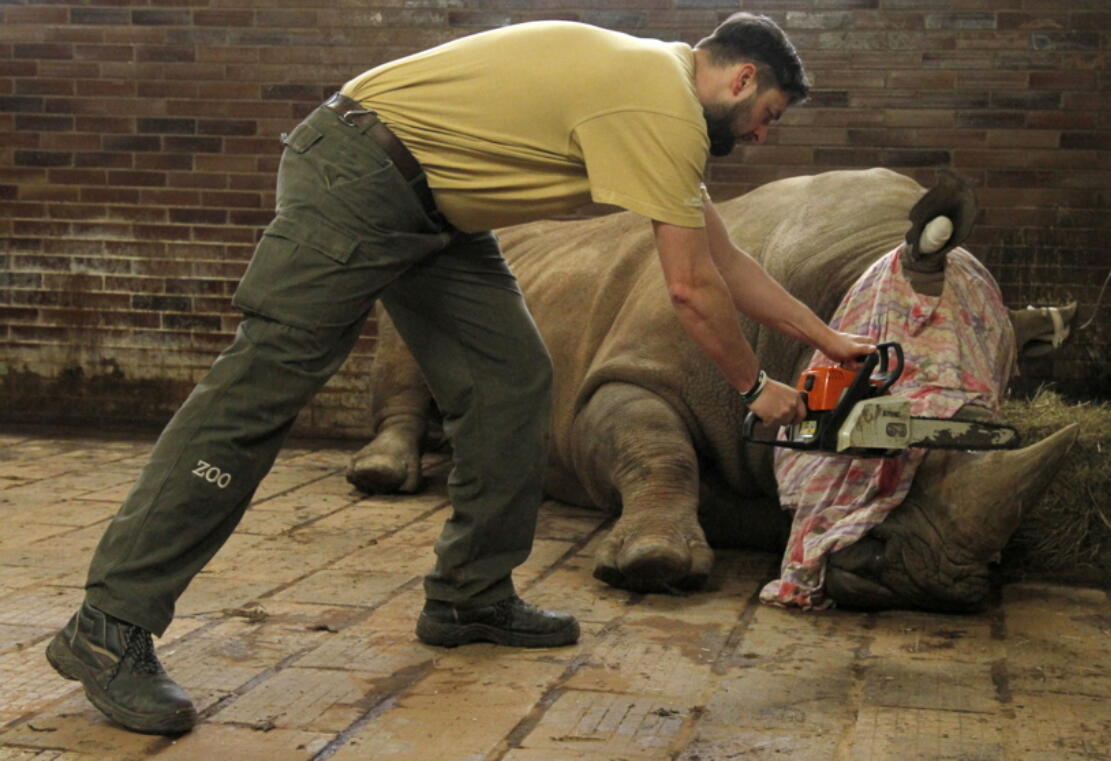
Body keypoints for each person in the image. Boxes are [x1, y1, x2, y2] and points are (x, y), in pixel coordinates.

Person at [45, 13, 876, 735]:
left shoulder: (657, 93)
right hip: (361, 172)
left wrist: (826, 338)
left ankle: (469, 596)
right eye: (767, 117)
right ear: (741, 77)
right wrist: (753, 389)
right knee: (259, 390)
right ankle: (109, 624)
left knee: (513, 380)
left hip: (439, 208)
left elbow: (724, 258)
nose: (762, 136)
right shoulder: (657, 100)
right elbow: (691, 290)